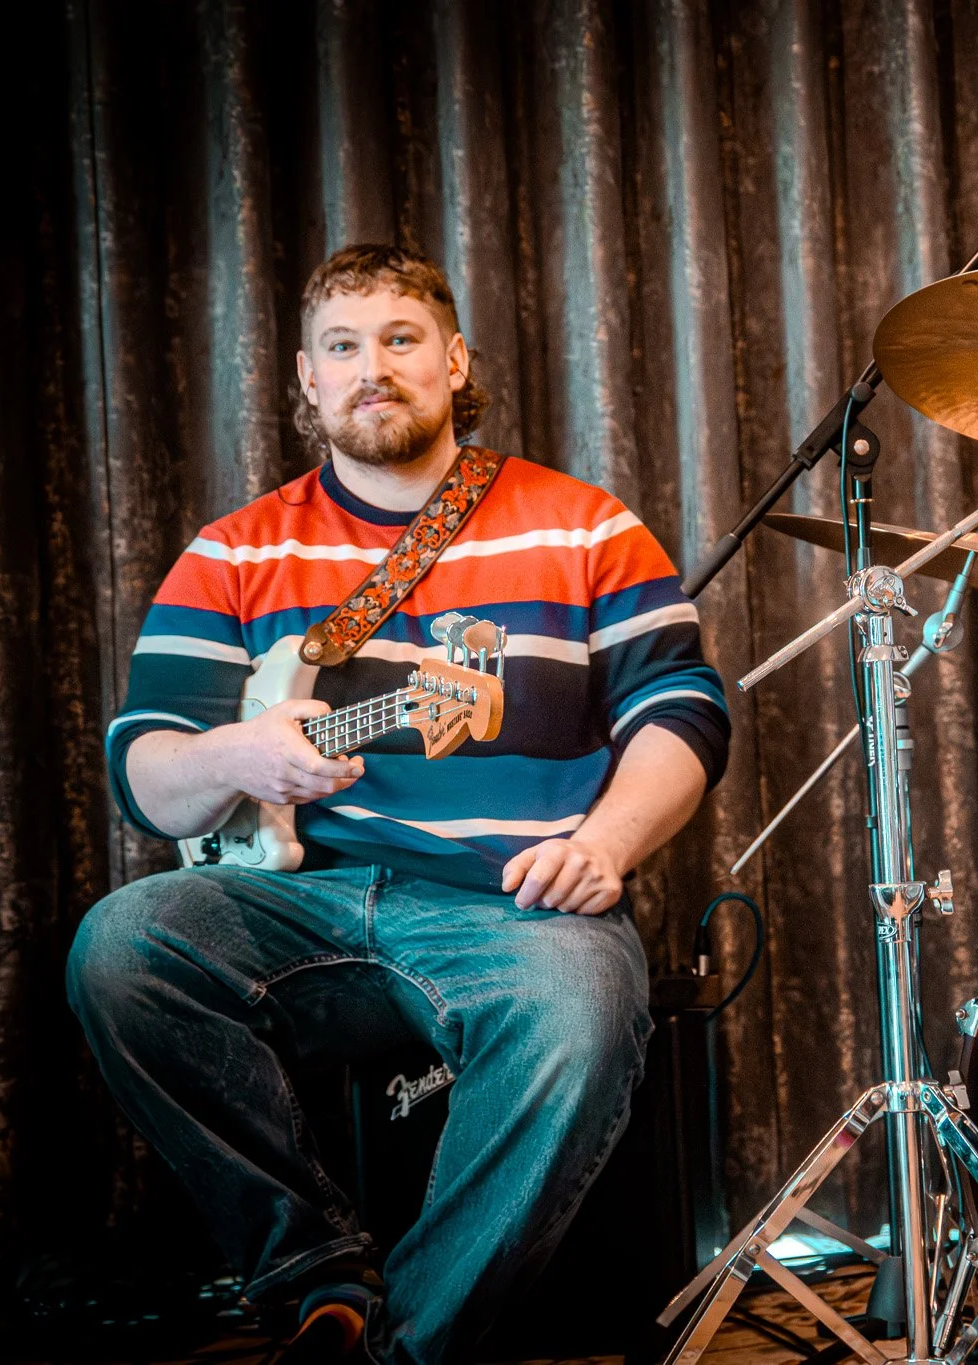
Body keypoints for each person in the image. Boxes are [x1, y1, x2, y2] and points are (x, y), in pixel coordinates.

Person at [66, 244, 729, 1364]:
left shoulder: (584, 526)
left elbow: (684, 711)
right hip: (297, 904)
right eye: (343, 346)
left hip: (513, 907)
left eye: (400, 338)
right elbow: (146, 771)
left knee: (577, 1013)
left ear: (455, 361)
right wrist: (239, 753)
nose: (372, 368)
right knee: (123, 947)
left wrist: (605, 846)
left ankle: (402, 1347)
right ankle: (311, 1273)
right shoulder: (232, 553)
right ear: (307, 378)